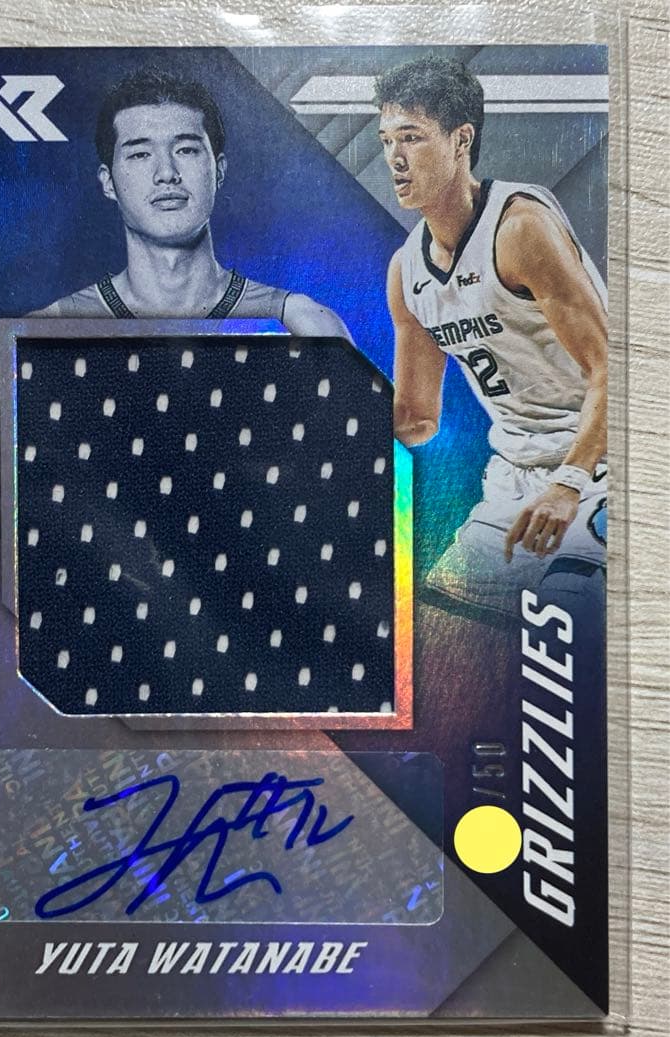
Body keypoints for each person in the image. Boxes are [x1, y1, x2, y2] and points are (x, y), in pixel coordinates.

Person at [376, 56, 607, 619]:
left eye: (412, 137)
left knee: (567, 630)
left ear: (461, 140)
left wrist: (570, 483)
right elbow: (417, 418)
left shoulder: (519, 228)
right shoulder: (406, 271)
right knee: (441, 639)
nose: (395, 158)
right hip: (513, 480)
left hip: (597, 467)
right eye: (386, 141)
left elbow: (614, 367)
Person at [35, 68, 350, 338]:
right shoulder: (48, 328)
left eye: (186, 150)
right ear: (108, 182)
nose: (166, 173)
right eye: (140, 154)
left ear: (219, 170)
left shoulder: (300, 324)